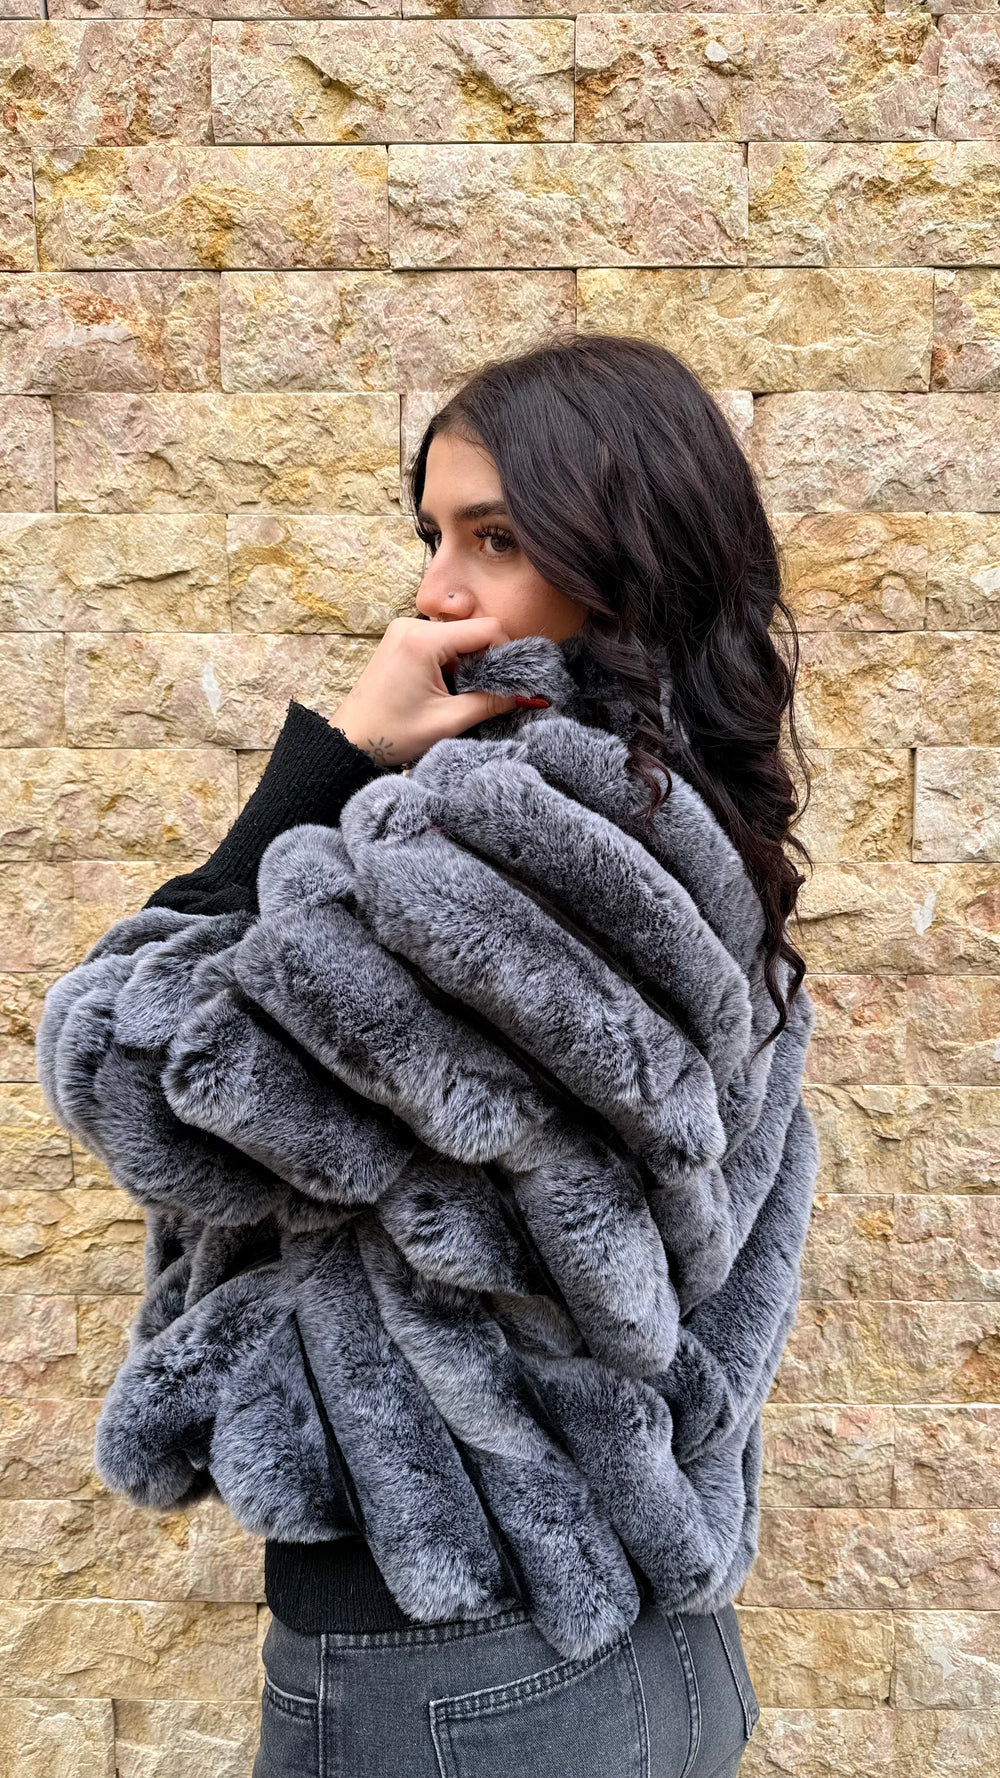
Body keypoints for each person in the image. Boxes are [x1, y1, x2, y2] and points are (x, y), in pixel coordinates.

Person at [132, 334, 810, 1775]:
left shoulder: (484, 841)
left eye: (495, 540)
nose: (436, 593)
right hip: (652, 1654)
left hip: (459, 1668)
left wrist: (324, 764)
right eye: (433, 535)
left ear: (622, 568)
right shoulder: (697, 830)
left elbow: (149, 1075)